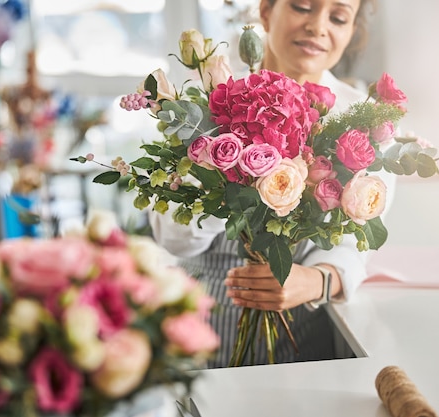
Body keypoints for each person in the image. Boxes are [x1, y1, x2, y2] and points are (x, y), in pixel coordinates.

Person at [148, 0, 393, 368]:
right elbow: (172, 238)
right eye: (302, 7)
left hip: (304, 332)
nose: (318, 26)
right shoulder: (208, 103)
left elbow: (356, 245)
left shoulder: (364, 124)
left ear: (350, 30)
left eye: (339, 17)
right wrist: (224, 170)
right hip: (198, 323)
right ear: (265, 11)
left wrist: (314, 281)